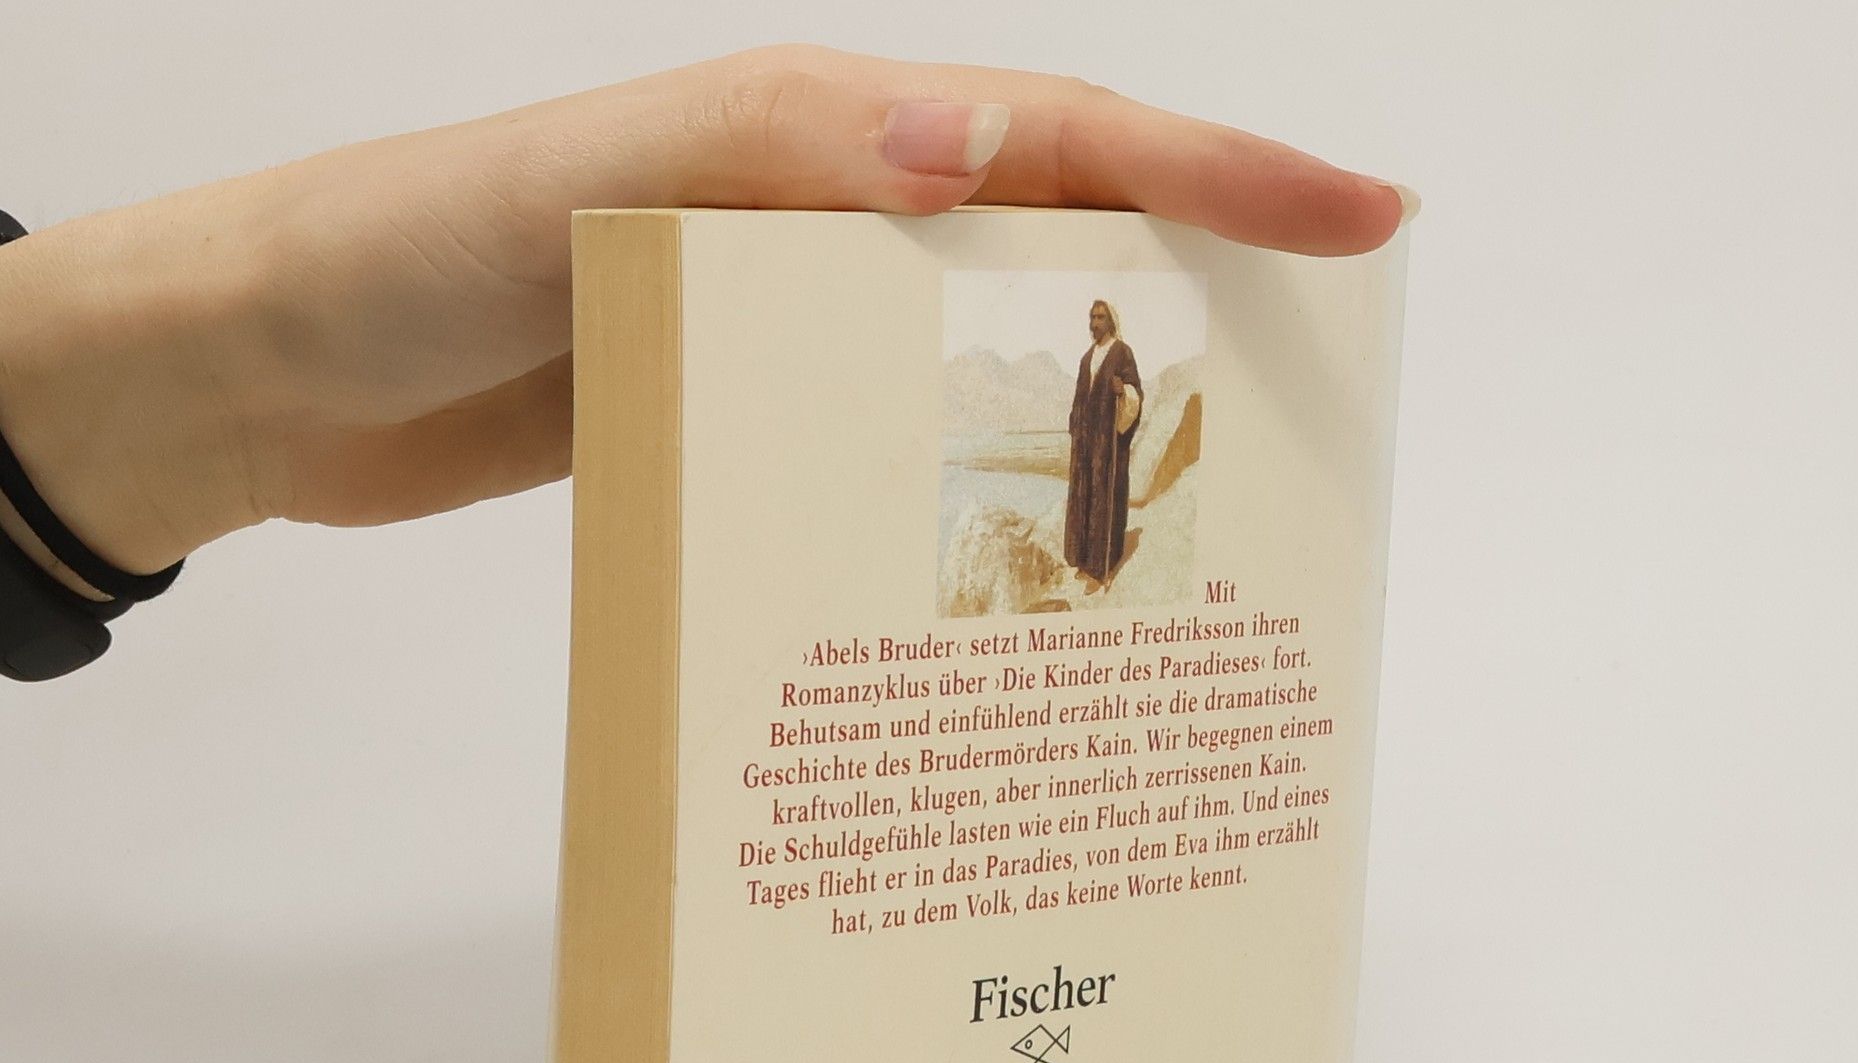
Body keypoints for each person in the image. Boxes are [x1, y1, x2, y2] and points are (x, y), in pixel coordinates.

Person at [0, 45, 1413, 639]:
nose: (1101, 325)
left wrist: (203, 373)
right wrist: (220, 353)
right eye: (1097, 318)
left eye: (1104, 320)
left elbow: (1122, 405)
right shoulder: (1093, 364)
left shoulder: (1117, 366)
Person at [1064, 299, 1142, 585]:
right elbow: (1079, 397)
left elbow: (1136, 393)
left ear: (1110, 321)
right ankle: (1084, 560)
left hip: (1108, 444)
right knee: (1084, 498)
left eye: (1100, 317)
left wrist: (1124, 391)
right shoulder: (1087, 358)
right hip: (1086, 443)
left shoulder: (1122, 352)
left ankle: (1102, 568)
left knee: (1105, 499)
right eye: (1092, 317)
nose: (1095, 323)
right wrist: (1076, 428)